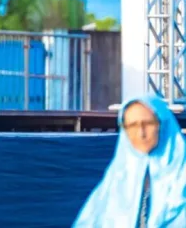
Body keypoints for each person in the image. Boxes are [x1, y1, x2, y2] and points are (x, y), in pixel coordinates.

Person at [72, 94, 186, 227]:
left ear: (163, 124)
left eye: (148, 123)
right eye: (132, 125)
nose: (141, 133)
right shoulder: (117, 178)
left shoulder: (182, 175)